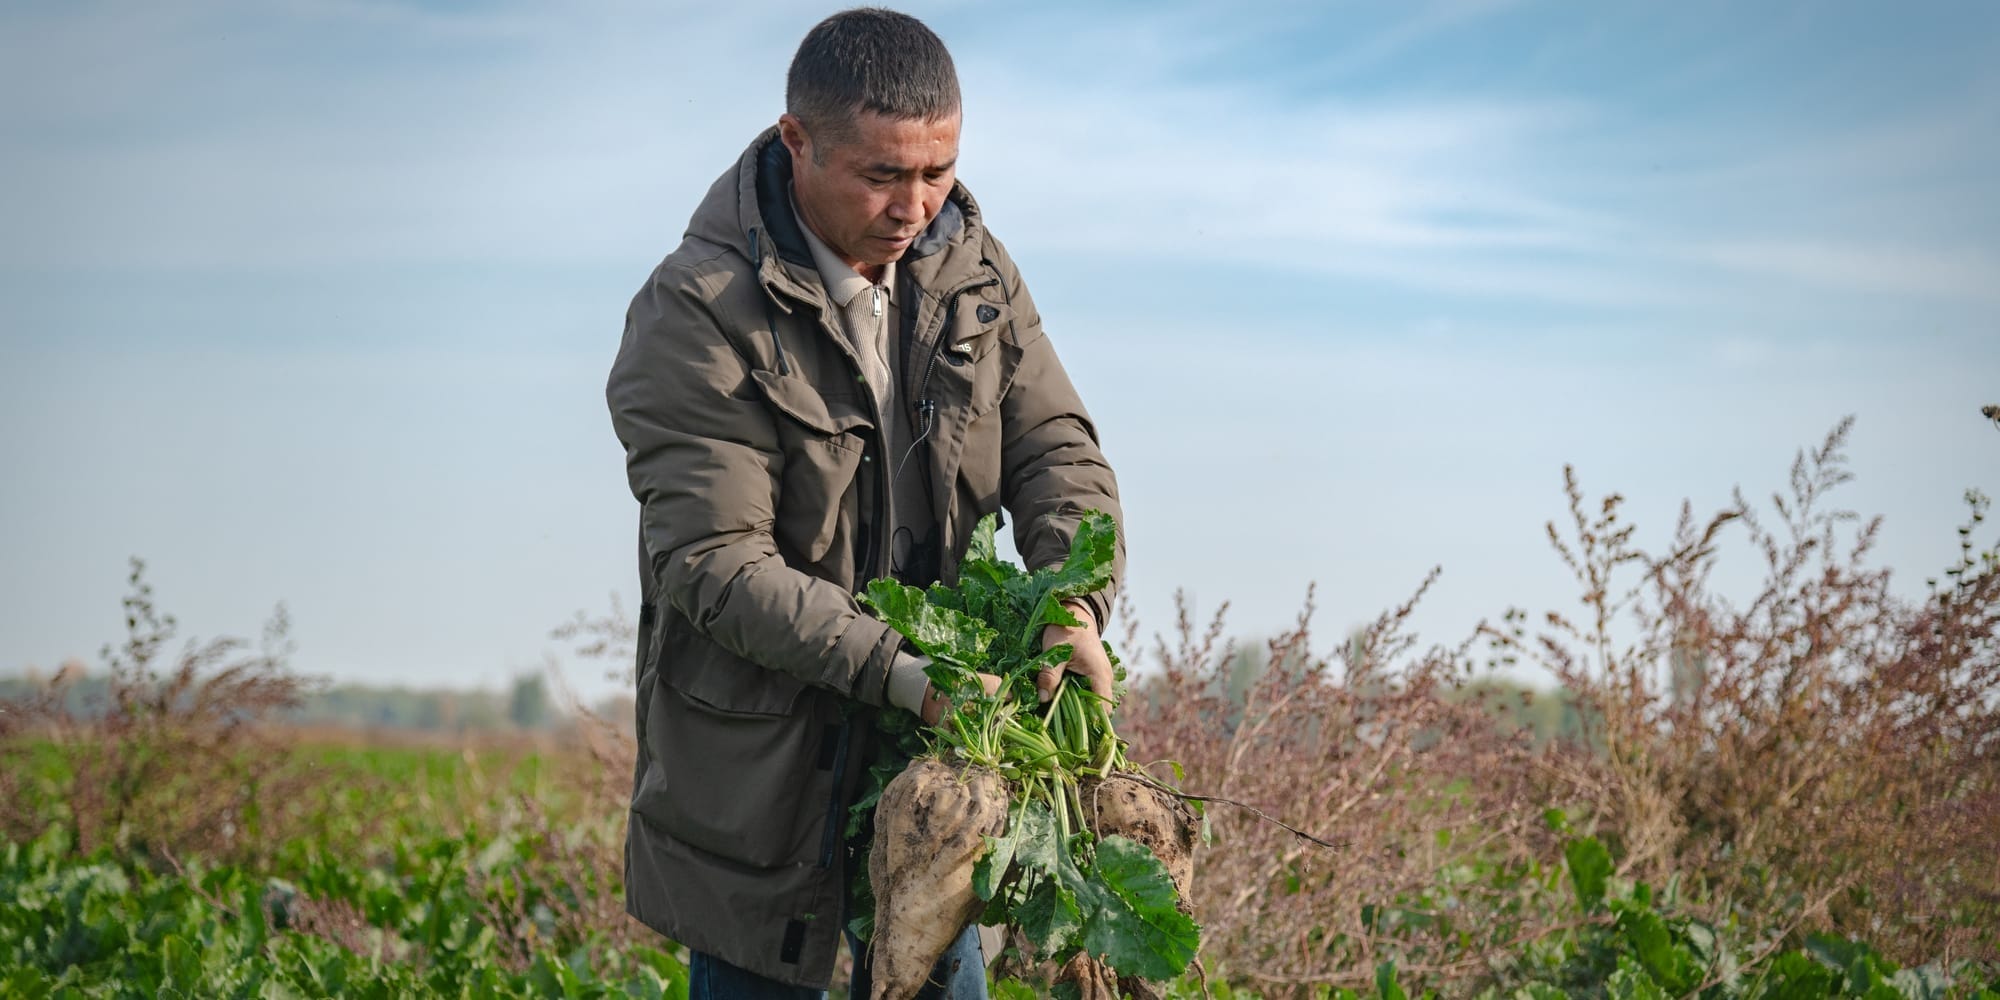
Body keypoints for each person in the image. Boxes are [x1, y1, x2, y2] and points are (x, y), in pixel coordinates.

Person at [606, 8, 1124, 998]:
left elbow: (1055, 445)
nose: (914, 205)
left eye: (937, 171)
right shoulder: (697, 310)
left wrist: (1074, 599)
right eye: (882, 175)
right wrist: (902, 670)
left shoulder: (973, 271)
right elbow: (711, 560)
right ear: (796, 141)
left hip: (933, 777)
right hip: (761, 777)